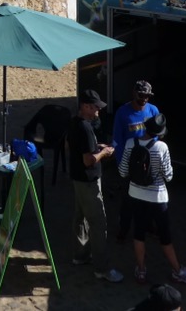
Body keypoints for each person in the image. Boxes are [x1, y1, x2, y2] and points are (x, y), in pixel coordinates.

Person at [118, 113, 186, 286]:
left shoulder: (131, 143)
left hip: (135, 194)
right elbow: (168, 176)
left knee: (138, 233)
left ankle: (141, 270)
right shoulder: (162, 147)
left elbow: (123, 171)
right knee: (164, 236)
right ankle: (177, 271)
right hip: (157, 197)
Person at [66, 88, 124, 283]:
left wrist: (96, 147)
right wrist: (104, 153)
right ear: (85, 107)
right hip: (89, 182)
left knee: (80, 217)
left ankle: (80, 255)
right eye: (95, 107)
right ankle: (102, 268)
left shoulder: (74, 123)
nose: (98, 110)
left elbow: (72, 147)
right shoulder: (85, 128)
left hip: (77, 180)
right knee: (99, 224)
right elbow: (89, 160)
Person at [111, 80, 160, 242]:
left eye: (147, 96)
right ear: (134, 93)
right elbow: (117, 140)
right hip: (130, 164)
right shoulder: (122, 113)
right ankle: (124, 229)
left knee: (149, 198)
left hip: (148, 164)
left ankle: (148, 225)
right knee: (128, 200)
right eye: (141, 95)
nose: (144, 99)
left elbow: (157, 137)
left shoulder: (153, 110)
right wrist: (122, 165)